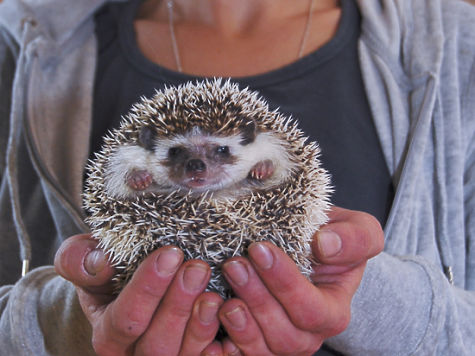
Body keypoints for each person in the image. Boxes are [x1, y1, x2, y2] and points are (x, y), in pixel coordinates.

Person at [0, 0, 474, 354]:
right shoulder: (22, 35)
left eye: (220, 154)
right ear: (147, 148)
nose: (198, 168)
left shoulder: (456, 43)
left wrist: (359, 296)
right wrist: (72, 323)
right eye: (180, 155)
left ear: (252, 144)